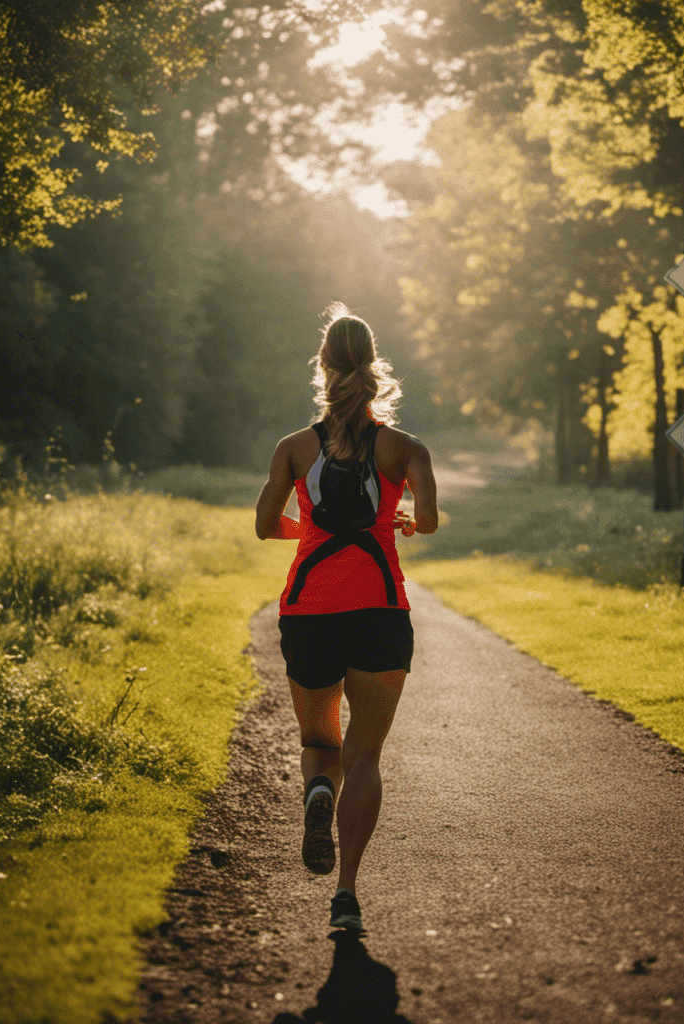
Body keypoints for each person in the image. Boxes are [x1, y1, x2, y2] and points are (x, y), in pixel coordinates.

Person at [255, 302, 438, 933]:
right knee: (365, 755)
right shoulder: (405, 448)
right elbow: (430, 518)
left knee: (318, 741)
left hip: (308, 614)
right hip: (381, 615)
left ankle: (316, 792)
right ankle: (348, 894)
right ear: (373, 365)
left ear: (324, 366)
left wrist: (308, 530)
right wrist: (404, 521)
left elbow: (263, 526)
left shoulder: (293, 448)